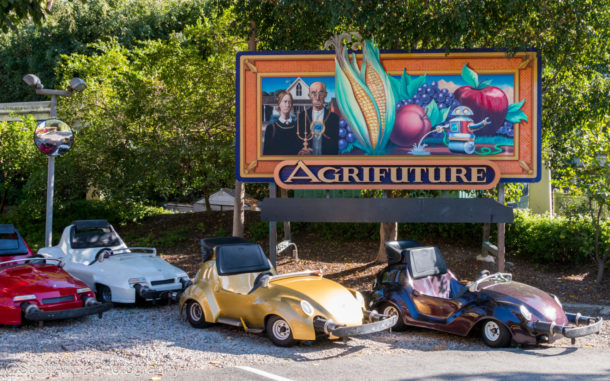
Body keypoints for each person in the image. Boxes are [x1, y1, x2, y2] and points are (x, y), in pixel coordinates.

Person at [296, 81, 340, 155]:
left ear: (325, 94)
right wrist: (302, 150)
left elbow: (336, 144)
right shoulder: (302, 116)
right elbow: (297, 142)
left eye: (321, 93)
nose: (317, 97)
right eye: (313, 93)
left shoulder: (334, 118)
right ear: (309, 95)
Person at [262, 91, 301, 156]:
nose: (287, 105)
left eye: (289, 102)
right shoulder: (271, 128)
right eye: (285, 101)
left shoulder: (298, 127)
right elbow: (266, 154)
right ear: (279, 104)